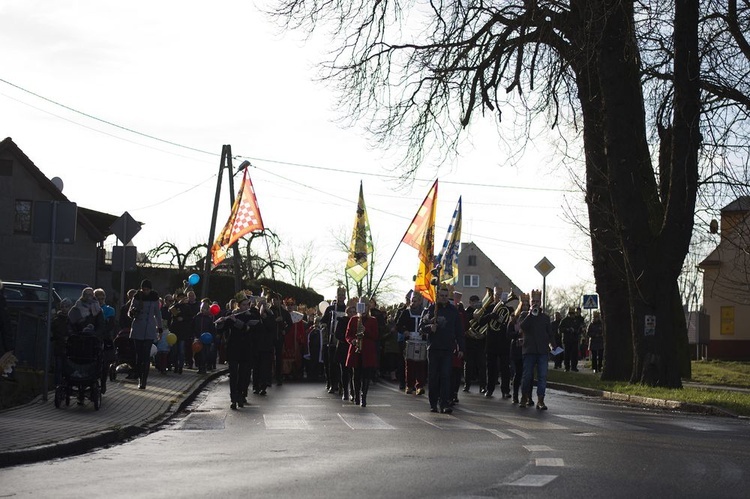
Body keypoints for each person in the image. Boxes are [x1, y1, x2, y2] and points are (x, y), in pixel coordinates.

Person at [420, 286, 464, 414]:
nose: (444, 298)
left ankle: (444, 403)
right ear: (437, 296)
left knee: (446, 376)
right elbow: (421, 327)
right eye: (441, 296)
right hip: (433, 348)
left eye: (446, 296)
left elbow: (459, 331)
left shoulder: (453, 311)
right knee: (433, 377)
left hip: (447, 349)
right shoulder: (431, 309)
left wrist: (461, 347)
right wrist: (429, 327)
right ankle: (433, 403)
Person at [215, 294, 253, 409]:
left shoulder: (250, 316)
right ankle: (233, 398)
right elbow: (222, 330)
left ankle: (241, 395)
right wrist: (220, 322)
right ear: (238, 305)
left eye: (247, 305)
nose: (246, 307)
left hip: (246, 349)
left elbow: (247, 328)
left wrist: (235, 321)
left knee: (243, 374)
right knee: (234, 374)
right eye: (243, 305)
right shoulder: (230, 315)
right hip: (233, 348)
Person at [519, 290, 555, 410]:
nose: (535, 304)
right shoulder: (525, 315)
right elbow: (522, 327)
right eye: (533, 301)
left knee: (542, 376)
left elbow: (550, 334)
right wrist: (530, 314)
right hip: (529, 351)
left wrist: (554, 347)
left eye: (537, 301)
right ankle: (524, 397)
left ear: (541, 303)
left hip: (542, 351)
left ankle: (541, 400)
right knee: (527, 376)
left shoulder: (545, 318)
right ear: (530, 303)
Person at [479, 287, 514, 399]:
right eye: (496, 294)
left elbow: (512, 324)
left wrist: (504, 321)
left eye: (500, 294)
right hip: (491, 342)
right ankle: (489, 389)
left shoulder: (509, 309)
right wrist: (490, 316)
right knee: (491, 368)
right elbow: (480, 322)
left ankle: (505, 391)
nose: (498, 297)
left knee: (505, 368)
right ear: (493, 296)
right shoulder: (489, 308)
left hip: (504, 342)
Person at [345, 297, 379, 407]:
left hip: (368, 352)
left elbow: (375, 336)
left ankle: (364, 396)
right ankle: (356, 395)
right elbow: (348, 335)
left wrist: (366, 331)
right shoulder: (354, 319)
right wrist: (352, 341)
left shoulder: (373, 320)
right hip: (356, 350)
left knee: (366, 375)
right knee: (356, 374)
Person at [128, 279, 161, 390]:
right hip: (138, 328)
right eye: (143, 289)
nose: (145, 291)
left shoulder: (155, 298)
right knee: (139, 355)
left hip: (150, 328)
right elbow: (129, 312)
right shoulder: (137, 296)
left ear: (150, 289)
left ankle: (143, 380)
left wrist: (159, 328)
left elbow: (157, 313)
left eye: (147, 289)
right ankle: (139, 376)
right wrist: (133, 311)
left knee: (146, 355)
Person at [397, 291, 427, 395]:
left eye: (415, 301)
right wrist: (404, 331)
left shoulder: (425, 312)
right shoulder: (406, 312)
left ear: (420, 301)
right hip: (410, 340)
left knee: (421, 365)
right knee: (409, 364)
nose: (413, 303)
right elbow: (399, 325)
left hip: (422, 341)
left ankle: (420, 386)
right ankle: (409, 385)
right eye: (412, 301)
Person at [320, 287, 348, 393]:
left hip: (343, 340)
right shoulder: (330, 309)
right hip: (332, 340)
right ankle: (333, 383)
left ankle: (342, 384)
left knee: (342, 364)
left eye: (342, 295)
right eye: (339, 295)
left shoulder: (347, 309)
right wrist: (324, 326)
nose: (341, 297)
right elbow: (323, 321)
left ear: (345, 297)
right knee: (332, 363)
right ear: (337, 296)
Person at [463, 294, 486, 394]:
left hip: (480, 342)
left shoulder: (482, 311)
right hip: (470, 342)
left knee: (482, 365)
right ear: (470, 302)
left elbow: (486, 323)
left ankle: (483, 386)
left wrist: (483, 335)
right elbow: (464, 322)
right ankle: (467, 385)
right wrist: (473, 316)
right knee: (469, 365)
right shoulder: (467, 311)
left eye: (477, 302)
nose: (475, 304)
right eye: (473, 302)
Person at [269, 294, 292, 386]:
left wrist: (285, 331)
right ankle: (269, 377)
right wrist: (275, 320)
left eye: (277, 300)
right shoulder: (269, 311)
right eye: (273, 300)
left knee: (279, 357)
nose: (275, 302)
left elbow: (290, 324)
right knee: (270, 357)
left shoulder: (284, 312)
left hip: (279, 336)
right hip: (271, 337)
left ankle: (279, 377)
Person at [51, 298, 73, 387]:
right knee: (59, 368)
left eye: (67, 307)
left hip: (69, 348)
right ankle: (58, 386)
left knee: (67, 368)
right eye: (63, 306)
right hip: (59, 347)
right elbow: (54, 332)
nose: (64, 308)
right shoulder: (56, 320)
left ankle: (67, 385)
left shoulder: (72, 320)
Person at [193, 298, 217, 374]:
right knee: (198, 354)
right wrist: (194, 336)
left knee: (204, 354)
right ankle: (200, 366)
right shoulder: (196, 318)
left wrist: (212, 338)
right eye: (202, 308)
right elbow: (193, 327)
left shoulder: (209, 319)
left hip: (207, 339)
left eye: (205, 308)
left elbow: (212, 330)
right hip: (198, 338)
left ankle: (203, 367)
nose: (203, 310)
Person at [560, 306, 582, 372]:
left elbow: (579, 329)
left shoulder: (577, 321)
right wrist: (567, 329)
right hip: (567, 340)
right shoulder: (564, 320)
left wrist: (575, 331)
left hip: (574, 339)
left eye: (573, 313)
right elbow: (560, 329)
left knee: (574, 354)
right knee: (567, 354)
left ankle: (574, 367)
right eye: (571, 313)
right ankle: (567, 367)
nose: (572, 315)